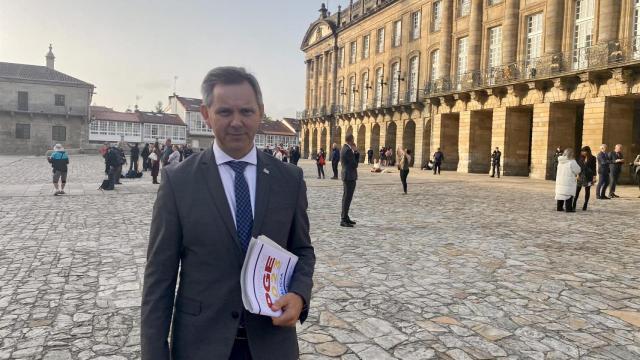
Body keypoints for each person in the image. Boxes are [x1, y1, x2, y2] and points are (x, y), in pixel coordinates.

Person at [141, 66, 315, 360]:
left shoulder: (290, 179)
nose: (236, 122)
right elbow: (159, 278)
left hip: (272, 343)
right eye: (224, 112)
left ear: (260, 112)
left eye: (246, 112)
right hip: (201, 344)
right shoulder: (178, 182)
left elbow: (302, 249)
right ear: (207, 114)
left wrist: (299, 294)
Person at [340, 134, 359, 228]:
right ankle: (343, 219)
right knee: (347, 198)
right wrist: (356, 152)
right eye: (353, 140)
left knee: (346, 198)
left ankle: (345, 217)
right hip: (349, 176)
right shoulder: (347, 150)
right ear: (351, 140)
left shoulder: (345, 148)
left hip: (348, 176)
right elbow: (355, 164)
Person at [573, 146, 596, 211]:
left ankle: (585, 204)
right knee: (577, 190)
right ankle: (574, 203)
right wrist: (577, 175)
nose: (582, 152)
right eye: (582, 151)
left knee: (587, 191)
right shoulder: (580, 158)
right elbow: (577, 166)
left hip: (588, 176)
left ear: (588, 151)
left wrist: (594, 177)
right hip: (580, 175)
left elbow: (594, 167)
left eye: (584, 151)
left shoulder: (593, 158)